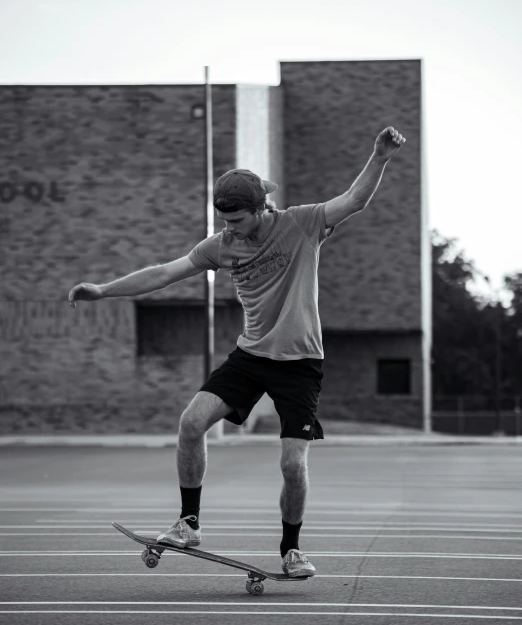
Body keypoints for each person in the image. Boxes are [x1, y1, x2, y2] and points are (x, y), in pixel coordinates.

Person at [69, 126, 405, 577]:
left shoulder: (302, 224)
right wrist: (103, 290)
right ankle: (188, 523)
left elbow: (354, 200)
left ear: (261, 208)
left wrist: (379, 157)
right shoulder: (221, 245)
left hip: (300, 363)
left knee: (292, 463)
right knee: (191, 423)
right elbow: (163, 273)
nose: (231, 231)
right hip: (250, 357)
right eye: (225, 223)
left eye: (238, 222)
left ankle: (291, 549)